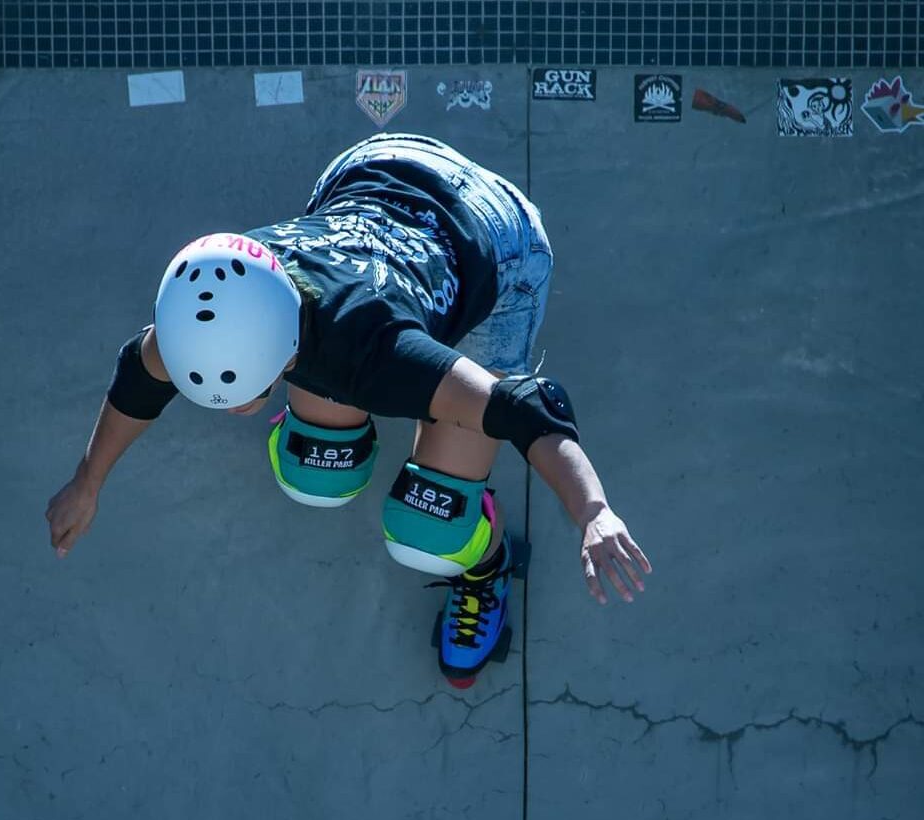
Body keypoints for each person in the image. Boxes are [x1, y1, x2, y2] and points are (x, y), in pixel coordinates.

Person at [45, 133, 651, 689]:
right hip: (371, 170)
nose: (232, 414)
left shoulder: (379, 355)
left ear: (283, 358)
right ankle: (333, 429)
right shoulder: (220, 289)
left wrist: (593, 512)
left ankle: (485, 566)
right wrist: (87, 482)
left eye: (244, 397)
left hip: (496, 237)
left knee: (429, 533)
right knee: (315, 472)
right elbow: (139, 376)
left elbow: (530, 411)